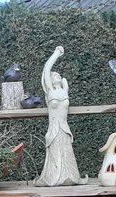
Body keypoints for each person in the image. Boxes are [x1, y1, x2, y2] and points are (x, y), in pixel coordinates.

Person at [34, 46, 86, 187]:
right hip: (54, 129)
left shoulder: (64, 90)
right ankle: (53, 177)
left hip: (64, 128)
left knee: (67, 153)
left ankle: (70, 176)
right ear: (50, 81)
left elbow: (64, 86)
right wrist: (56, 54)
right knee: (55, 154)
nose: (57, 75)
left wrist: (65, 83)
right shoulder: (50, 91)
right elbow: (46, 70)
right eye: (54, 75)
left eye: (58, 75)